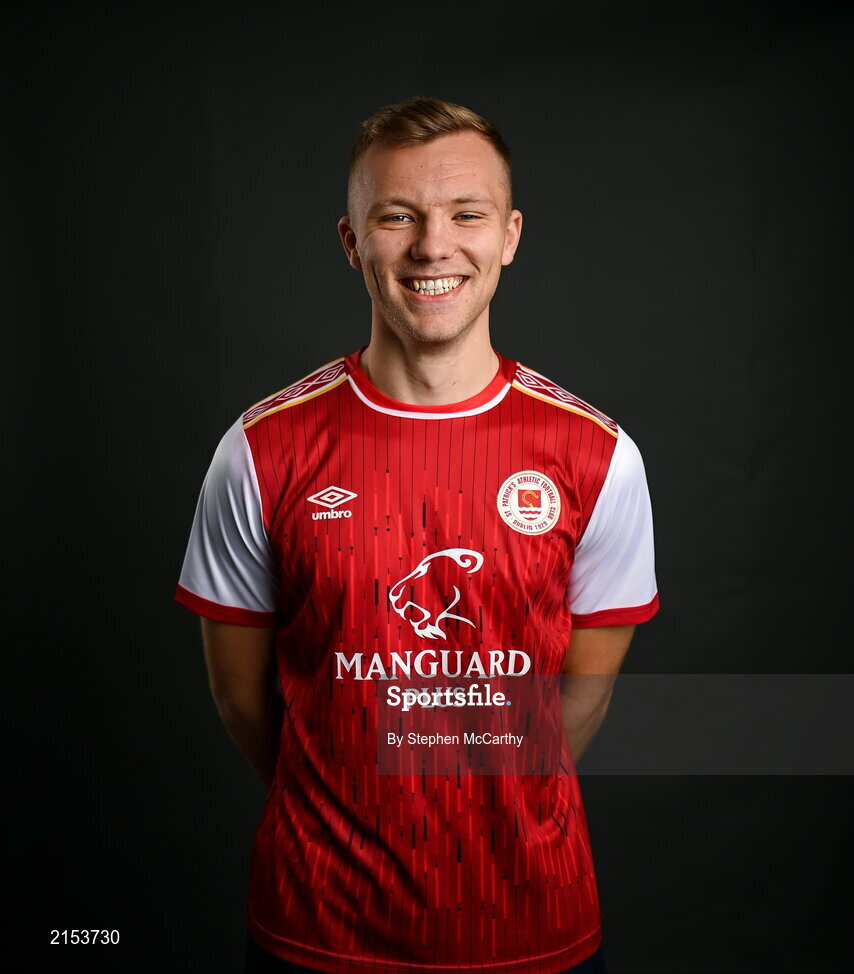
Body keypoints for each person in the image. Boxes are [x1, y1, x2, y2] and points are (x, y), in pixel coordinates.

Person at [175, 97, 659, 974]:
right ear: (351, 241)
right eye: (398, 216)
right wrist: (346, 802)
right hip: (317, 930)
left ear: (509, 236)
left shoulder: (598, 455)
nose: (434, 247)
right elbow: (242, 699)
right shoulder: (258, 451)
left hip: (532, 929)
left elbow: (579, 702)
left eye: (466, 214)